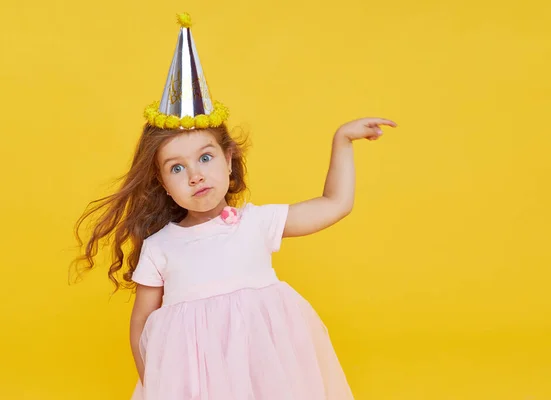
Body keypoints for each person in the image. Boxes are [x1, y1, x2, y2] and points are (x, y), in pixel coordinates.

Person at [72, 12, 396, 400]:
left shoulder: (255, 222)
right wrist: (153, 378)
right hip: (195, 382)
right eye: (178, 167)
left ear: (229, 160)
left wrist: (341, 141)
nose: (195, 174)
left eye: (205, 158)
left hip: (267, 371)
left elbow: (335, 203)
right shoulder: (161, 246)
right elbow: (141, 320)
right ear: (163, 183)